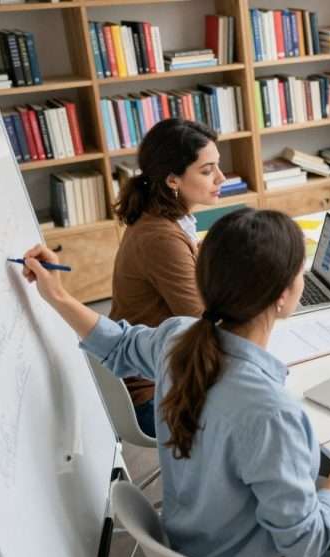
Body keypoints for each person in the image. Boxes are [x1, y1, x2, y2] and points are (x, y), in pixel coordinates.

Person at [20, 209, 330, 557]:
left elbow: (118, 345)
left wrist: (57, 295)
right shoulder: (270, 411)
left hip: (204, 552)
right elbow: (306, 543)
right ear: (283, 296)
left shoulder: (178, 338)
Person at [109, 118, 223, 437]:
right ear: (173, 180)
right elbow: (205, 326)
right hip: (154, 395)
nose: (221, 177)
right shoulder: (161, 238)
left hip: (165, 370)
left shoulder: (167, 219)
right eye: (207, 170)